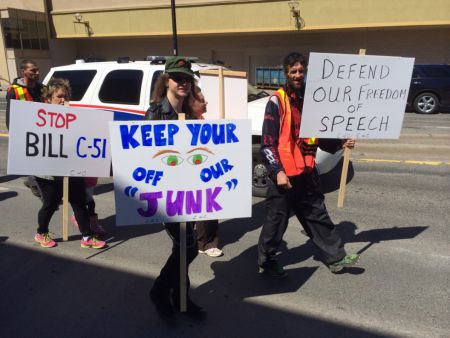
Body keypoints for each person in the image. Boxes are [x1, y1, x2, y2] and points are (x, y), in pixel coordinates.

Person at [257, 52, 360, 278]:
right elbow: (267, 143)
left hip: (306, 171)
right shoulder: (276, 102)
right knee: (276, 222)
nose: (297, 75)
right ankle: (267, 261)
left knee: (317, 215)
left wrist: (341, 142)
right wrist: (278, 172)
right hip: (284, 176)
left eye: (301, 71)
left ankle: (336, 256)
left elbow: (319, 137)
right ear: (285, 73)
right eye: (293, 71)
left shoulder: (311, 101)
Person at [145, 56, 206, 319]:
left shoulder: (191, 113)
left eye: (187, 79)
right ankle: (161, 291)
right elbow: (144, 157)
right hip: (165, 195)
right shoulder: (155, 113)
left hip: (188, 192)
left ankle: (181, 297)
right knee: (188, 247)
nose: (183, 82)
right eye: (177, 78)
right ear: (166, 81)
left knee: (183, 247)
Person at [33, 78, 106, 250]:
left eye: (65, 96)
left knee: (79, 203)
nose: (63, 100)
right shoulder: (38, 118)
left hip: (72, 169)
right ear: (48, 99)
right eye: (59, 96)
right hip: (48, 172)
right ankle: (41, 232)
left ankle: (87, 237)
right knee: (50, 204)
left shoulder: (75, 117)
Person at [188, 86, 223, 258]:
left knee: (206, 205)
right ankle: (204, 242)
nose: (206, 102)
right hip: (193, 173)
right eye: (201, 100)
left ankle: (205, 240)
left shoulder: (202, 120)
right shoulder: (186, 122)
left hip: (206, 171)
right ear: (190, 103)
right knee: (200, 205)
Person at [6, 60, 43, 198]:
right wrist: (15, 135)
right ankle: (35, 185)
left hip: (42, 130)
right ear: (24, 72)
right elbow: (10, 115)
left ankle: (31, 180)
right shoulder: (14, 91)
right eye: (33, 70)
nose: (37, 73)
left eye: (37, 70)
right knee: (32, 160)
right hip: (25, 133)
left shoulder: (42, 88)